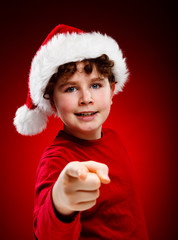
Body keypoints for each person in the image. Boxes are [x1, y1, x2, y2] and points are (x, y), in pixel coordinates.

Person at [14, 24, 148, 239]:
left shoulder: (113, 137)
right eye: (71, 88)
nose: (86, 98)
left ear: (112, 90)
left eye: (95, 85)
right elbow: (46, 232)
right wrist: (60, 202)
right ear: (53, 102)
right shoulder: (57, 159)